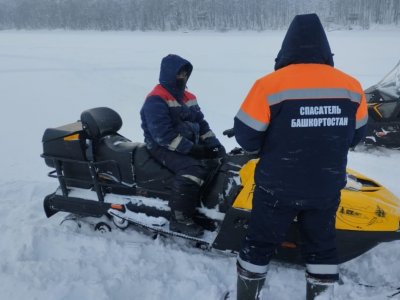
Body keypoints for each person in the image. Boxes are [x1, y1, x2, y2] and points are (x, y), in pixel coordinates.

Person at [233, 14, 368, 300]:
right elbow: (356, 135)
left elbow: (246, 137)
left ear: (286, 48)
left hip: (277, 186)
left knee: (259, 242)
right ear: (324, 48)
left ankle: (247, 296)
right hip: (325, 185)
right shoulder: (352, 86)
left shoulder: (268, 85)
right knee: (322, 245)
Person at [140, 54, 224, 237]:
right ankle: (179, 219)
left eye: (185, 74)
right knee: (192, 170)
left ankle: (204, 206)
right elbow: (162, 135)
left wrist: (214, 144)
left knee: (217, 163)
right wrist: (194, 150)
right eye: (179, 74)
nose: (182, 77)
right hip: (160, 146)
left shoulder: (188, 96)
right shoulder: (156, 99)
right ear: (169, 74)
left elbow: (201, 124)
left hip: (186, 142)